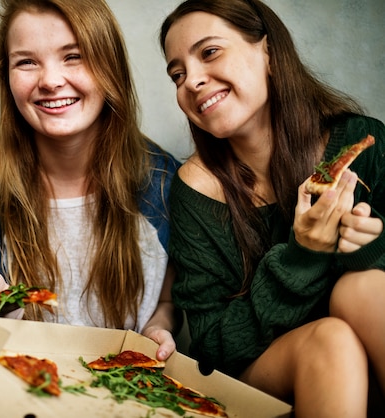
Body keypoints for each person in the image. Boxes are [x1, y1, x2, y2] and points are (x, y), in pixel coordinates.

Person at [159, 0, 385, 416]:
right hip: (262, 374)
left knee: (363, 287)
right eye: (177, 74)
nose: (190, 81)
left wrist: (367, 248)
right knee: (331, 339)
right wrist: (302, 256)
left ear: (268, 51)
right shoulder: (195, 189)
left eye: (209, 53)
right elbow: (212, 351)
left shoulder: (362, 141)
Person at [0, 0, 180, 362]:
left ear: (110, 66)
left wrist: (157, 328)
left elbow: (165, 300)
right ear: (6, 75)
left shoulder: (163, 179)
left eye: (74, 56)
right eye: (27, 61)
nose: (51, 81)